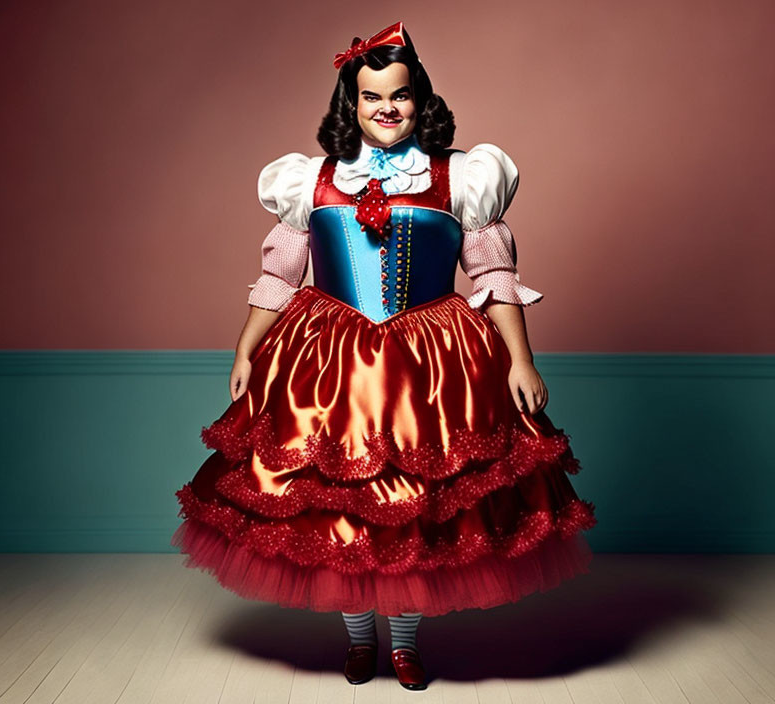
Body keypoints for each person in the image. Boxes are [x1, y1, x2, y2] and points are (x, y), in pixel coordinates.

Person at [172, 20, 597, 691]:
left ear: (420, 101)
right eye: (372, 97)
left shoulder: (462, 178)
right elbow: (280, 280)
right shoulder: (309, 182)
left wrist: (521, 360)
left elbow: (493, 280)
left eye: (400, 95)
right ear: (352, 106)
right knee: (339, 505)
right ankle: (358, 640)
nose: (387, 108)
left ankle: (404, 643)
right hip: (329, 359)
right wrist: (247, 350)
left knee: (419, 510)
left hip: (432, 359)